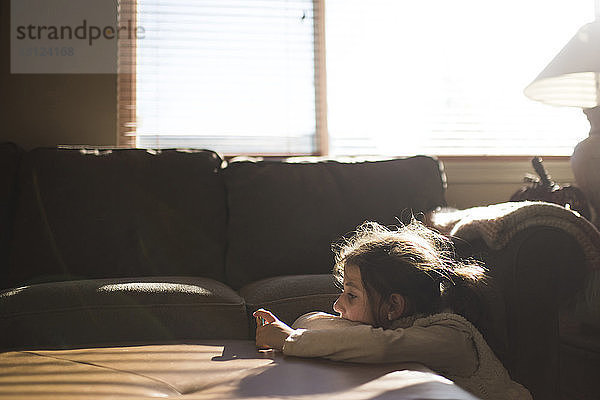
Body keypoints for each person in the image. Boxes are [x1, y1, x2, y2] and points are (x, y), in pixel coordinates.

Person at [254, 220, 532, 400]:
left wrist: (290, 340)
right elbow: (310, 320)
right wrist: (293, 334)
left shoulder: (451, 337)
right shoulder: (390, 329)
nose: (337, 306)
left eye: (351, 295)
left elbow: (381, 347)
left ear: (393, 306)